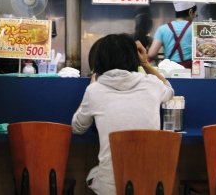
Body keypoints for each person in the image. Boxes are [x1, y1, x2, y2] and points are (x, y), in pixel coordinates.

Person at [72, 33, 174, 195]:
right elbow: (169, 90)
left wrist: (92, 84)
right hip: (149, 184)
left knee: (94, 175)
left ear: (99, 61)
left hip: (112, 188)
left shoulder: (95, 90)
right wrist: (145, 63)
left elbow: (77, 127)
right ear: (134, 58)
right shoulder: (152, 85)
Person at [148, 2, 197, 68]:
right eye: (195, 14)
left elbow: (151, 54)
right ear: (190, 12)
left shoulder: (162, 29)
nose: (194, 17)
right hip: (188, 69)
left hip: (169, 70)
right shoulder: (195, 28)